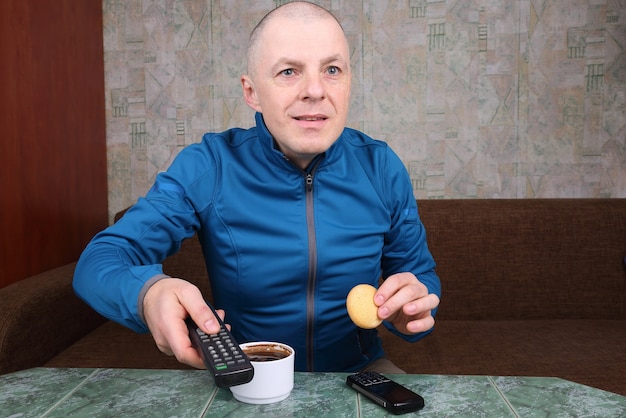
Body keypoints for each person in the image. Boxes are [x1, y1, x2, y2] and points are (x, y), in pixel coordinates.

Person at [73, 1, 441, 374]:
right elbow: (99, 260)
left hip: (361, 372)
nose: (315, 90)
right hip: (249, 374)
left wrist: (414, 307)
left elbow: (420, 275)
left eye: (332, 70)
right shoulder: (210, 165)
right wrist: (147, 294)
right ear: (251, 92)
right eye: (288, 71)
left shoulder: (381, 167)